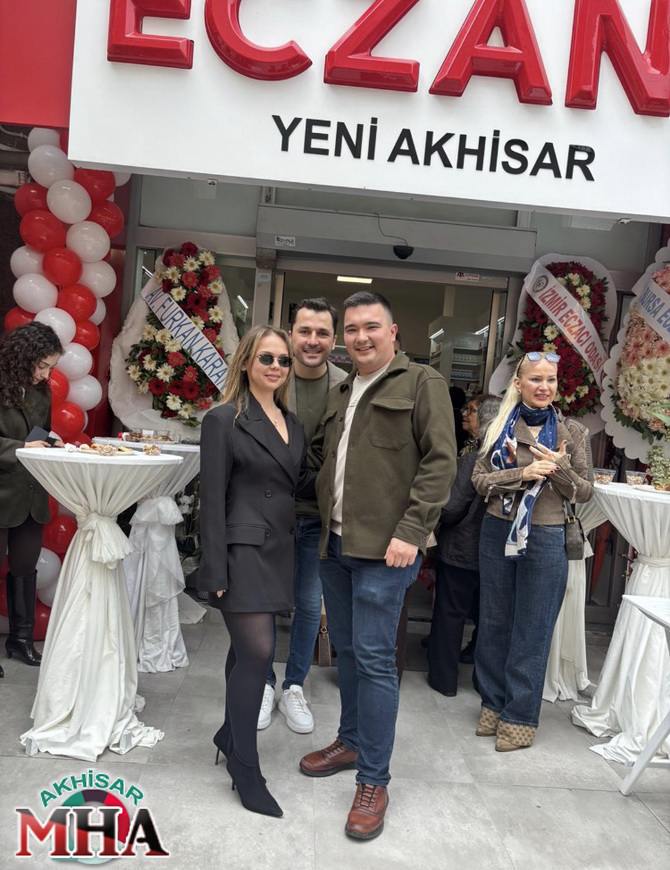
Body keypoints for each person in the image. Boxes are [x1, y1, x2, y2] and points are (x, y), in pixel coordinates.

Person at [299, 291, 457, 841]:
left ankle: (373, 779)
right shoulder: (343, 390)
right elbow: (322, 461)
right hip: (336, 546)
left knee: (374, 661)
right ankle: (350, 740)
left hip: (385, 553)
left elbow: (441, 462)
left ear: (393, 332)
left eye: (371, 327)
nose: (360, 337)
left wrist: (411, 532)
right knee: (347, 653)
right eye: (351, 329)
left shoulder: (422, 383)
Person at [198, 325, 311, 819]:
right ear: (246, 362)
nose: (276, 367)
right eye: (266, 357)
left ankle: (230, 734)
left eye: (284, 360)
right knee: (259, 654)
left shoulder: (293, 422)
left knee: (244, 653)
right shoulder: (223, 419)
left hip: (279, 550)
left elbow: (296, 484)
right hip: (241, 551)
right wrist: (214, 568)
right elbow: (211, 499)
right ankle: (245, 767)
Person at [472, 352, 593, 751]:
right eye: (535, 379)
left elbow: (585, 491)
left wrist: (559, 469)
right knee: (493, 622)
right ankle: (492, 705)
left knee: (533, 628)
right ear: (518, 384)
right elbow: (479, 480)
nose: (544, 387)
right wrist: (521, 473)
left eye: (550, 380)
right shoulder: (497, 426)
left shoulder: (573, 432)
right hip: (497, 529)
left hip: (546, 534)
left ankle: (520, 717)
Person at [261, 297, 346, 733]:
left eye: (322, 333)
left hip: (319, 515)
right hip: (269, 511)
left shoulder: (348, 386)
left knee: (310, 604)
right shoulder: (270, 375)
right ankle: (262, 682)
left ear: (334, 339)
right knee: (262, 600)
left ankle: (294, 684)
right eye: (305, 331)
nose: (313, 340)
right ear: (290, 333)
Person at [0, 322, 63, 678]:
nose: (46, 375)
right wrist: (22, 447)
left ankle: (20, 640)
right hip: (2, 491)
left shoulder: (42, 391)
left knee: (25, 566)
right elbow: (21, 442)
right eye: (42, 366)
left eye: (50, 367)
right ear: (23, 356)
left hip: (30, 493)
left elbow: (42, 432)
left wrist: (51, 442)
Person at [428, 396, 501, 696]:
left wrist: (436, 520)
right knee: (489, 615)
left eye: (471, 411)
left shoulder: (475, 459)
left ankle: (443, 680)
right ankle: (483, 682)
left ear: (486, 419)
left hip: (461, 547)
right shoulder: (511, 455)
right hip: (494, 551)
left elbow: (452, 507)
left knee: (450, 613)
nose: (464, 414)